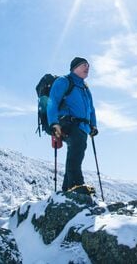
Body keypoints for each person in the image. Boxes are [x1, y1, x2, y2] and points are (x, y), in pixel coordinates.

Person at [47, 57, 98, 192]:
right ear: (74, 68)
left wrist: (93, 125)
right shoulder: (64, 81)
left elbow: (91, 109)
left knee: (77, 151)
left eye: (88, 65)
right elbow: (52, 101)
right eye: (83, 65)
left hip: (83, 127)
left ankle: (66, 190)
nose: (87, 67)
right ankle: (77, 186)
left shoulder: (85, 88)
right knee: (77, 150)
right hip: (68, 123)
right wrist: (53, 123)